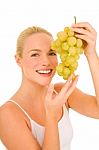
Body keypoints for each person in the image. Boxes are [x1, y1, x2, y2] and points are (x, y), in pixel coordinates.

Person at [0, 22, 99, 150]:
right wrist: (51, 115)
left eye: (51, 53)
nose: (46, 62)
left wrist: (91, 54)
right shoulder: (7, 115)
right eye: (35, 54)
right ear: (19, 60)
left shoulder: (61, 92)